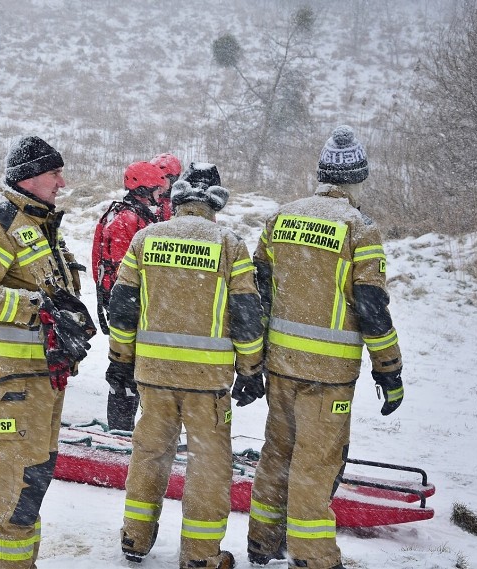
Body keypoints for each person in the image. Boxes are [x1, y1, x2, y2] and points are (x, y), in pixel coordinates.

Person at [245, 125, 404, 569]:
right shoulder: (360, 228)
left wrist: (255, 360)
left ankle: (262, 542)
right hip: (328, 375)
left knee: (277, 455)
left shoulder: (281, 217)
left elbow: (258, 292)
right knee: (315, 465)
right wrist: (388, 369)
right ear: (359, 178)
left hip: (281, 364)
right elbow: (373, 307)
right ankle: (314, 556)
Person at [109, 164, 265, 569]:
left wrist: (120, 361)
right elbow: (246, 313)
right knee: (209, 466)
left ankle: (135, 538)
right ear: (215, 204)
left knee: (149, 455)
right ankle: (200, 554)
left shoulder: (146, 239)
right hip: (208, 383)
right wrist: (250, 369)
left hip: (154, 377)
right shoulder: (229, 244)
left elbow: (123, 308)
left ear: (175, 202)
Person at [0, 135, 94, 569]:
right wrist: (39, 310)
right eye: (55, 174)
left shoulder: (37, 223)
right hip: (11, 382)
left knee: (33, 479)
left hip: (41, 377)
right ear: (31, 177)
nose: (62, 182)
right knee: (14, 488)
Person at [92, 160, 167, 431]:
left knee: (134, 368)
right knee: (124, 371)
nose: (161, 197)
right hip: (128, 306)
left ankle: (129, 427)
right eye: (157, 191)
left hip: (132, 304)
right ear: (143, 188)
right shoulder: (127, 219)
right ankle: (121, 431)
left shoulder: (137, 214)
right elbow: (127, 271)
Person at [150, 152, 182, 221]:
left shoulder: (181, 203)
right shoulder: (148, 200)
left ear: (173, 179)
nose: (157, 183)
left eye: (161, 178)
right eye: (154, 178)